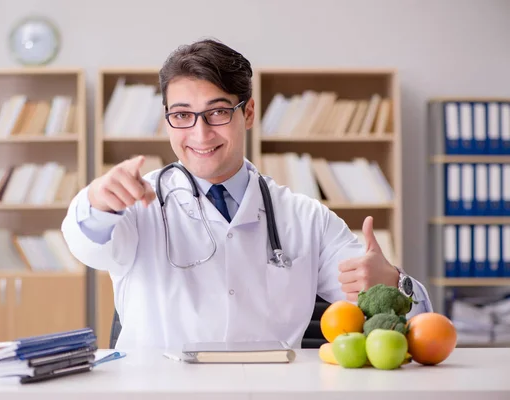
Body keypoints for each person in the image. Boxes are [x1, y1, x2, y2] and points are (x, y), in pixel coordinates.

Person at [61, 38, 433, 350]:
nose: (200, 134)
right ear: (167, 119)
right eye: (182, 115)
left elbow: (411, 320)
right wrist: (97, 203)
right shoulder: (136, 205)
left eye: (218, 112)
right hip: (160, 389)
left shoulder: (305, 217)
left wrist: (391, 281)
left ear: (249, 112)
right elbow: (85, 243)